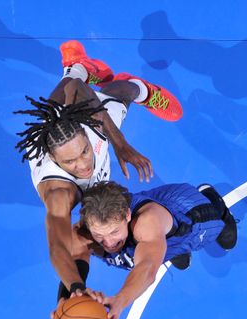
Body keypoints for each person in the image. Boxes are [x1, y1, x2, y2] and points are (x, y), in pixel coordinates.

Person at [14, 40, 183, 302]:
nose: (83, 166)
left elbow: (76, 90)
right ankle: (76, 65)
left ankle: (135, 87)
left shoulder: (88, 127)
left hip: (79, 121)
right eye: (70, 162)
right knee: (57, 109)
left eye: (83, 153)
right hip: (59, 143)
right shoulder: (59, 194)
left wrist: (120, 144)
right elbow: (59, 248)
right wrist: (73, 292)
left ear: (85, 137)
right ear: (57, 161)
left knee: (118, 94)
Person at [60, 181, 237, 319]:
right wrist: (64, 302)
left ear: (127, 215)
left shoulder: (146, 223)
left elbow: (147, 268)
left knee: (225, 237)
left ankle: (215, 202)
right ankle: (166, 250)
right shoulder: (85, 231)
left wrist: (120, 300)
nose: (108, 242)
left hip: (191, 212)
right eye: (99, 235)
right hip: (155, 236)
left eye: (114, 231)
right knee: (154, 249)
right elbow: (73, 265)